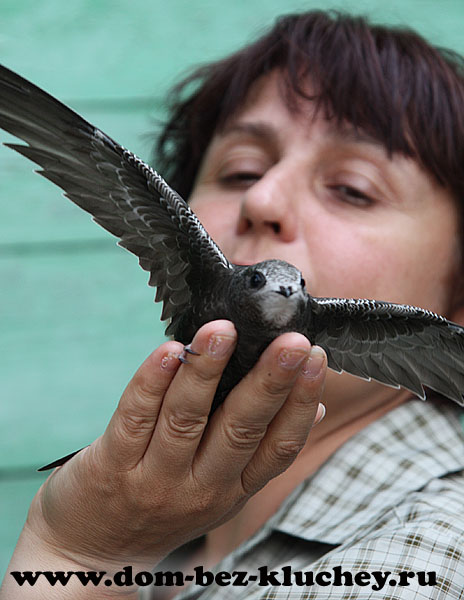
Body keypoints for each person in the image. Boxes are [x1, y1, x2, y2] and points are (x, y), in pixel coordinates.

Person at [2, 9, 464, 599]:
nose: (264, 197)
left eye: (353, 188)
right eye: (240, 169)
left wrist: (80, 557)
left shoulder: (429, 551)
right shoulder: (171, 559)